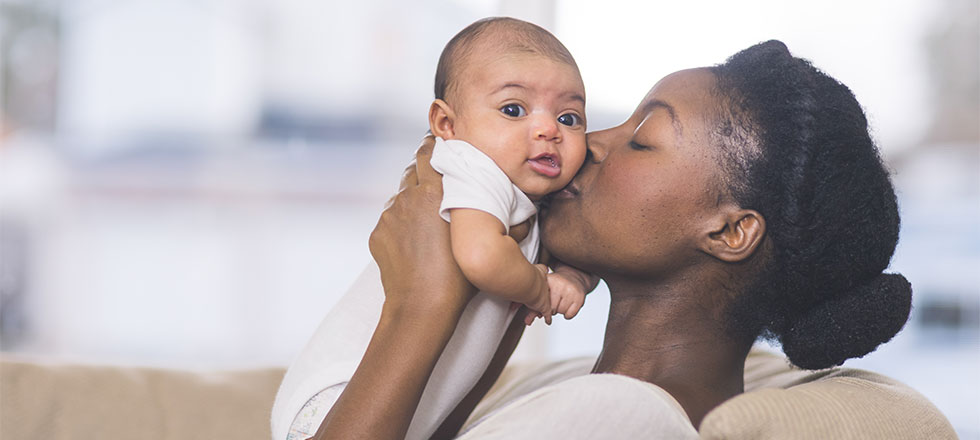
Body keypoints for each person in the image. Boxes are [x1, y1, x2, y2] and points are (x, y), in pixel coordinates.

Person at [303, 39, 916, 439]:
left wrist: (419, 307)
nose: (590, 142)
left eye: (642, 139)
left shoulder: (621, 419)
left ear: (730, 231)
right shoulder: (584, 390)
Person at [271, 17, 598, 440]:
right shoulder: (471, 168)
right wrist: (541, 288)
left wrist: (573, 277)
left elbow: (577, 252)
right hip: (335, 399)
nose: (548, 129)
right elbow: (482, 257)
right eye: (513, 110)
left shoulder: (532, 198)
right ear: (447, 125)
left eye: (570, 118)